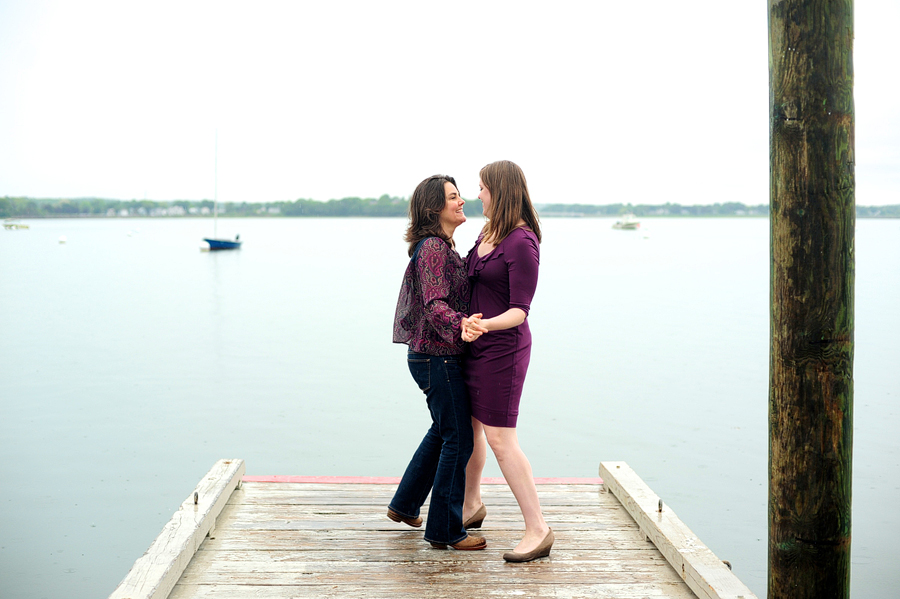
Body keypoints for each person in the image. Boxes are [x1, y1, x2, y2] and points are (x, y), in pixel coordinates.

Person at [460, 160, 552, 562]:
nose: (475, 195)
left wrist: (483, 326)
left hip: (504, 350)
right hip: (475, 346)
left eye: (481, 188)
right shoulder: (487, 232)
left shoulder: (521, 241)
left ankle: (538, 528)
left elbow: (520, 310)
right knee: (471, 429)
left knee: (500, 438)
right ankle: (470, 505)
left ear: (499, 190)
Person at [388, 174, 486, 551]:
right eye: (453, 197)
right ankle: (445, 529)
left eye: (461, 196)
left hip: (434, 355)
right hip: (436, 356)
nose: (462, 202)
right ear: (434, 208)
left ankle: (405, 504)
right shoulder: (431, 247)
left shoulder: (443, 246)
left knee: (444, 431)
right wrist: (462, 325)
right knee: (459, 441)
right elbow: (434, 304)